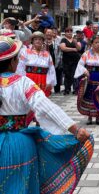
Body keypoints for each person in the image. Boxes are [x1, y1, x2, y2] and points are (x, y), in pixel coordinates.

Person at [0, 35, 93, 193]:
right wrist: (75, 129)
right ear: (13, 62)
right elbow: (47, 108)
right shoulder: (23, 83)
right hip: (20, 144)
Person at [74, 35, 99, 125]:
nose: (97, 44)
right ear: (92, 43)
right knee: (89, 96)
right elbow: (80, 65)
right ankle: (89, 117)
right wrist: (85, 70)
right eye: (95, 42)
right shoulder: (86, 53)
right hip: (90, 77)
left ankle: (98, 117)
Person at [16, 31, 56, 97]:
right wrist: (22, 81)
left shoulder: (47, 54)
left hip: (42, 79)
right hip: (29, 79)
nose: (38, 41)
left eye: (40, 39)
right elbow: (20, 67)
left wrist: (50, 82)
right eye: (36, 39)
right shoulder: (25, 52)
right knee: (28, 99)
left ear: (43, 41)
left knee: (41, 100)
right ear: (32, 41)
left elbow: (51, 69)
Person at [60, 27, 81, 95]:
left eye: (70, 31)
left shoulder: (75, 40)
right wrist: (73, 49)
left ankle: (75, 89)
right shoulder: (63, 39)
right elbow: (63, 48)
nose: (69, 32)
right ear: (65, 33)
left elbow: (79, 48)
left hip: (75, 60)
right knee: (67, 75)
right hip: (66, 61)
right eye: (67, 31)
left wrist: (76, 43)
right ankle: (67, 89)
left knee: (74, 75)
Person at [53, 27, 63, 93]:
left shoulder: (60, 39)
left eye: (55, 31)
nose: (54, 33)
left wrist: (60, 60)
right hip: (50, 59)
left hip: (58, 59)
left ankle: (57, 89)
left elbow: (61, 50)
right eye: (53, 31)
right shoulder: (47, 39)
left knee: (58, 75)